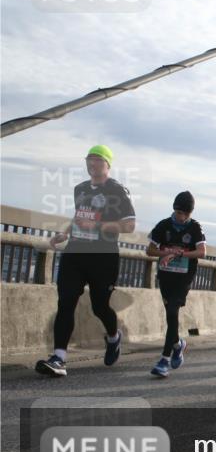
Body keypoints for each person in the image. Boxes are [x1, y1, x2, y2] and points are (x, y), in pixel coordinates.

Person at [37, 145, 136, 377]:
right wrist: (65, 232)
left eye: (97, 160)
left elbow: (129, 225)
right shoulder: (80, 189)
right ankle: (59, 357)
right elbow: (80, 216)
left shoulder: (118, 191)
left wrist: (99, 226)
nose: (92, 164)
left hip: (103, 257)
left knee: (100, 306)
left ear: (107, 165)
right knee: (66, 302)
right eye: (89, 160)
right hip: (75, 254)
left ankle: (113, 337)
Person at [146, 191, 207, 377]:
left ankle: (164, 360)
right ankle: (177, 344)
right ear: (174, 209)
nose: (182, 218)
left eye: (186, 214)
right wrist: (166, 252)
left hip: (184, 277)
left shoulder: (195, 227)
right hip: (166, 276)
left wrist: (180, 254)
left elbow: (202, 252)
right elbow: (150, 250)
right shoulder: (163, 225)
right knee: (170, 315)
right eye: (180, 213)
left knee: (173, 310)